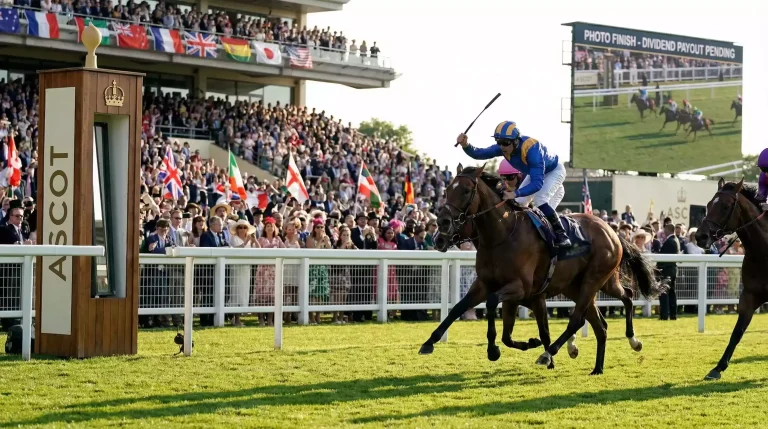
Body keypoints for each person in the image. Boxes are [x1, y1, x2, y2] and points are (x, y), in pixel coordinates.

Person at [457, 120, 571, 247]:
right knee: (520, 204)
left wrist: (515, 193)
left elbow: (537, 184)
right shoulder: (504, 147)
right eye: (499, 142)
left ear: (516, 141)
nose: (502, 147)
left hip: (553, 171)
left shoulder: (533, 151)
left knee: (540, 199)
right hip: (536, 172)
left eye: (505, 143)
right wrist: (466, 145)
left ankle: (562, 235)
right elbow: (479, 153)